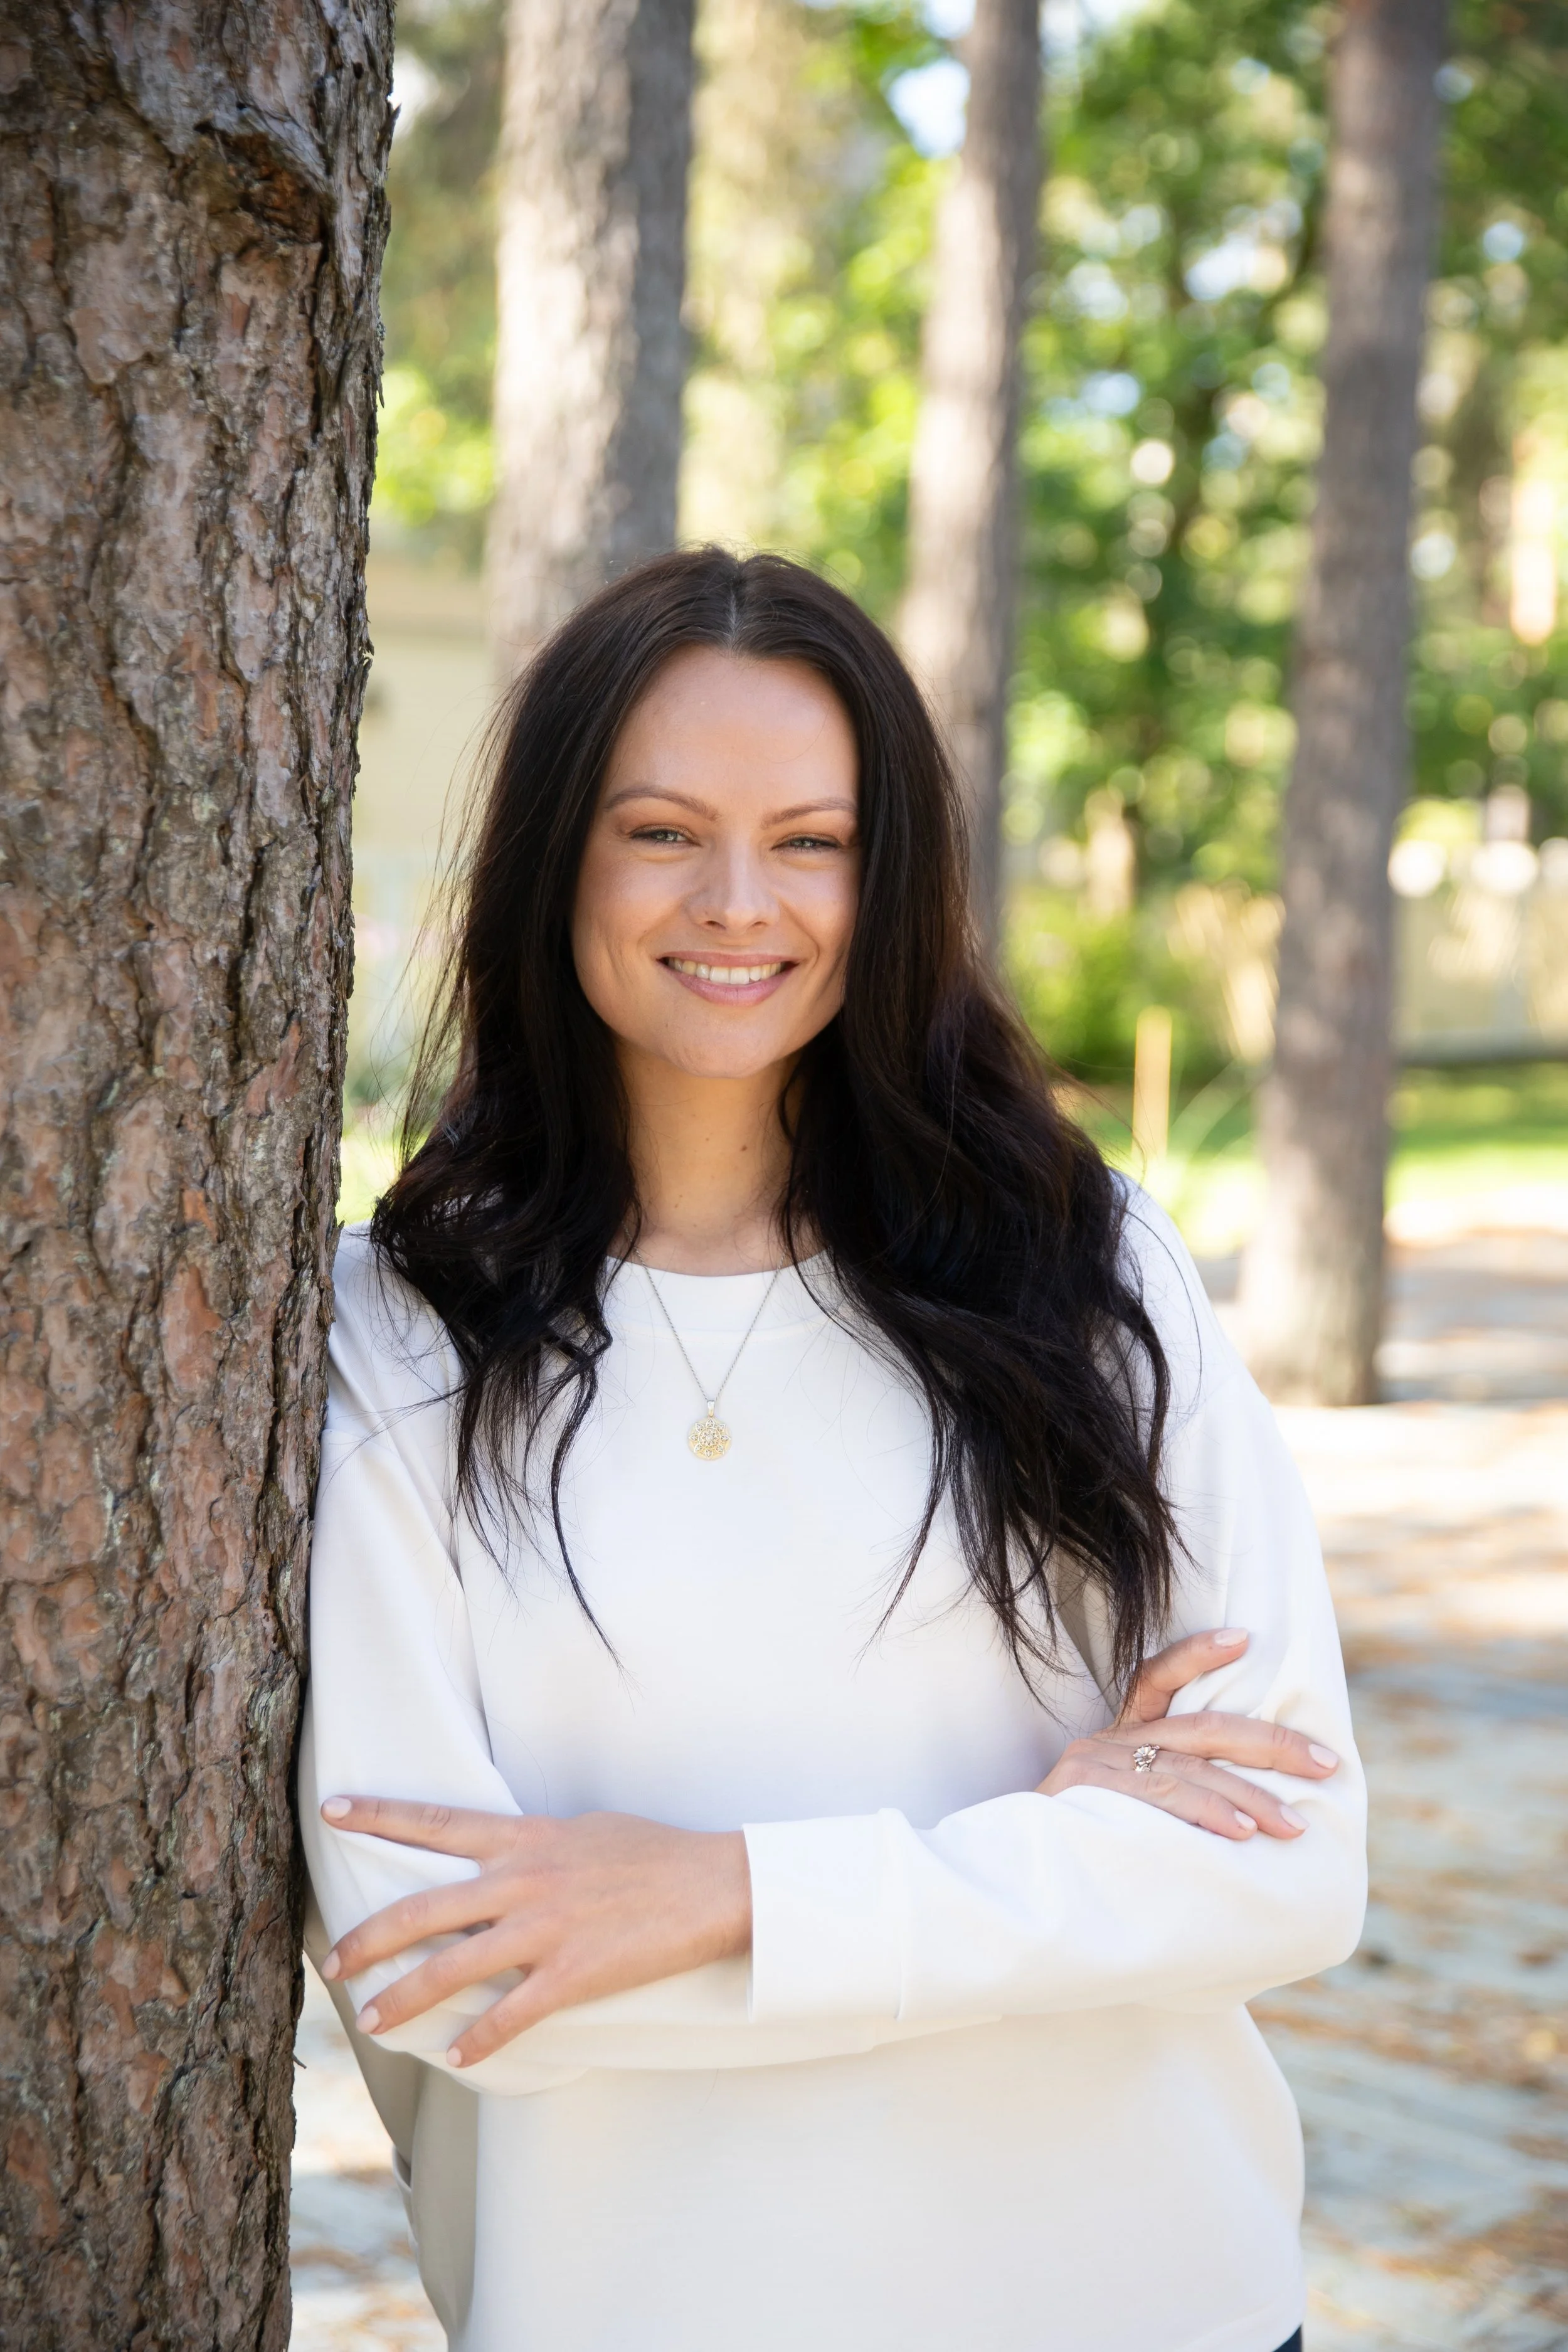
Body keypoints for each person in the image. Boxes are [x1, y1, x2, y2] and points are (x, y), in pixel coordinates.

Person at [299, 548, 1365, 2352]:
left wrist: (716, 1894)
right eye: (661, 831)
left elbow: (1284, 1862)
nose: (739, 901)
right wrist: (1054, 1870)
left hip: (1149, 2297)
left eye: (814, 840)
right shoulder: (401, 1333)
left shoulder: (1087, 1263)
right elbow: (448, 1975)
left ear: (895, 879)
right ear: (554, 857)